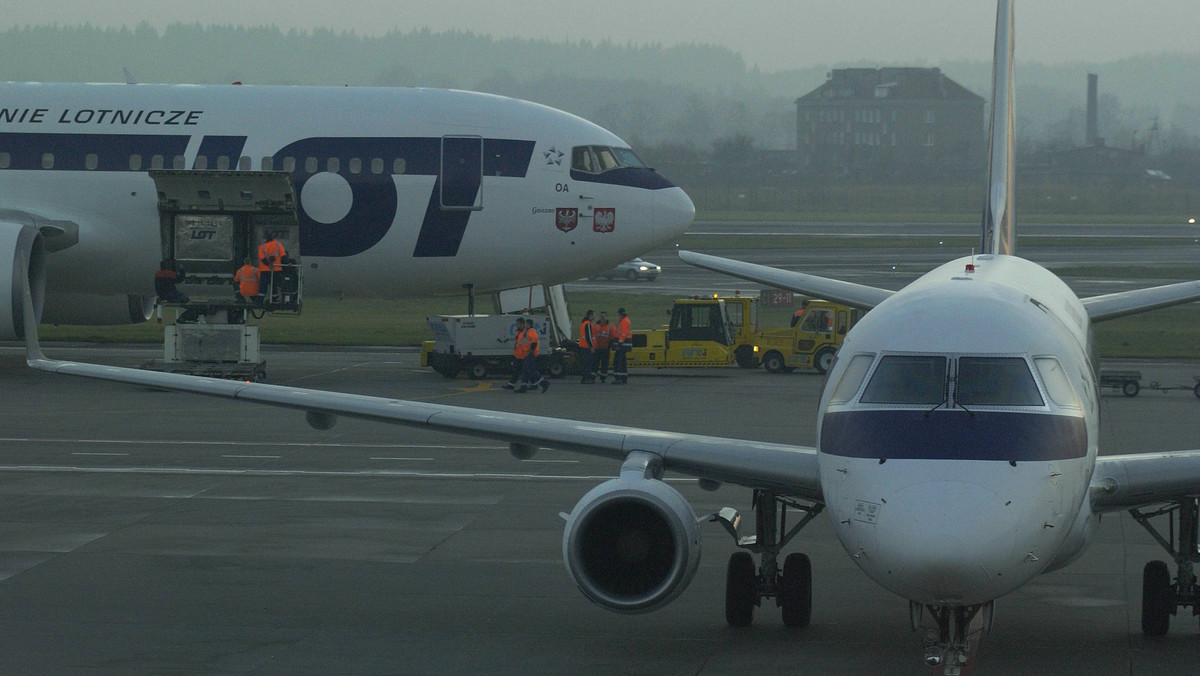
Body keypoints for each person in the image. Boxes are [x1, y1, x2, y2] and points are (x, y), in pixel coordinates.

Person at [517, 318, 549, 393]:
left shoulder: (531, 332)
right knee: (525, 370)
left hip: (529, 354)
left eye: (526, 324)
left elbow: (534, 341)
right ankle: (523, 386)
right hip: (527, 353)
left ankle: (544, 383)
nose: (524, 325)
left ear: (529, 324)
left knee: (531, 369)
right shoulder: (528, 332)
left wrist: (531, 350)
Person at [257, 234, 287, 303]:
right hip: (275, 269)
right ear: (273, 238)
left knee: (263, 286)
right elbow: (283, 256)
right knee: (274, 285)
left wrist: (268, 264)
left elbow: (262, 258)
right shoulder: (278, 244)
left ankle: (260, 300)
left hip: (264, 270)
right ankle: (274, 299)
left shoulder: (262, 247)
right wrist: (288, 263)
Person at [503, 318, 527, 391]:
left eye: (518, 324)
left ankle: (523, 386)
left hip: (523, 355)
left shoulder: (525, 332)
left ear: (522, 324)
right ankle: (512, 384)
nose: (517, 326)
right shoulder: (518, 332)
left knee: (522, 371)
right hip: (518, 355)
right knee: (517, 370)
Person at [611, 307, 632, 384]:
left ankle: (618, 377)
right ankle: (623, 377)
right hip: (624, 344)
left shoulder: (624, 321)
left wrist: (619, 343)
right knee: (622, 361)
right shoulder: (625, 320)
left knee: (618, 361)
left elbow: (623, 334)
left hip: (622, 344)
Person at [593, 311, 613, 383]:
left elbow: (612, 337)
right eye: (601, 316)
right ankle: (593, 377)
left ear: (606, 317)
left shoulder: (610, 326)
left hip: (605, 349)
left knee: (604, 364)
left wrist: (609, 346)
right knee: (595, 363)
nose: (602, 318)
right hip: (596, 348)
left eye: (603, 316)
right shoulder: (595, 326)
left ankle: (603, 377)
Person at [577, 309, 596, 384]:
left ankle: (585, 377)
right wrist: (591, 346)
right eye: (593, 315)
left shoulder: (583, 323)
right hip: (586, 346)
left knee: (585, 362)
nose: (594, 317)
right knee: (588, 363)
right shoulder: (588, 324)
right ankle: (586, 378)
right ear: (590, 315)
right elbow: (589, 336)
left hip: (583, 346)